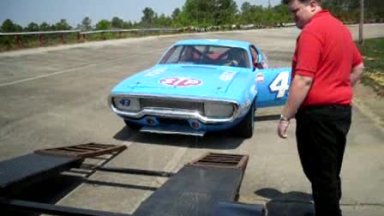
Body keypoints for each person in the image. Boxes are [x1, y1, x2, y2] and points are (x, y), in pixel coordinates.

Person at [277, 0, 364, 215]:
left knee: (320, 174)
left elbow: (303, 79)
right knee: (330, 170)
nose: (293, 17)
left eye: (296, 11)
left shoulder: (312, 31)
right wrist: (340, 89)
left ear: (313, 5)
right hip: (340, 113)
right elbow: (358, 66)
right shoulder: (339, 27)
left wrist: (285, 115)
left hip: (318, 117)